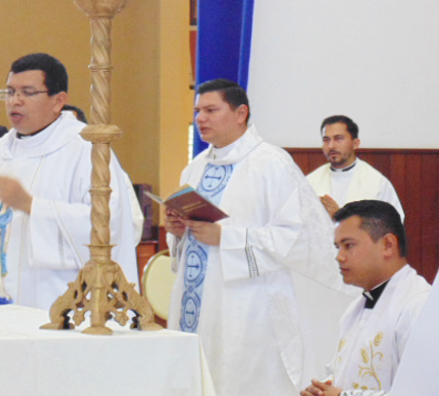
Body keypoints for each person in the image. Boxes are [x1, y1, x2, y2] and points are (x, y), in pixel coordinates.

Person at [165, 79, 346, 396]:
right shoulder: (193, 170)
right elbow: (188, 243)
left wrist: (226, 238)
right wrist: (178, 233)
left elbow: (297, 237)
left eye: (210, 110)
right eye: (197, 112)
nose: (200, 119)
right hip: (197, 303)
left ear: (240, 113)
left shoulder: (271, 163)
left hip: (248, 305)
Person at [0, 53, 141, 309]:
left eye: (27, 92)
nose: (14, 101)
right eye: (9, 92)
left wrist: (32, 206)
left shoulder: (86, 149)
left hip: (53, 306)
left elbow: (110, 225)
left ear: (58, 101)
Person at [301, 200, 430, 396]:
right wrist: (322, 389)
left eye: (349, 245)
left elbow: (425, 391)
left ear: (388, 245)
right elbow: (345, 373)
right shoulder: (354, 309)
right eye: (338, 247)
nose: (339, 256)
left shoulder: (420, 306)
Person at [307, 116, 404, 220]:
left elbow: (392, 223)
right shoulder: (310, 181)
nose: (331, 146)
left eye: (338, 139)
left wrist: (339, 216)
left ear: (355, 143)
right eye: (326, 140)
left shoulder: (376, 183)